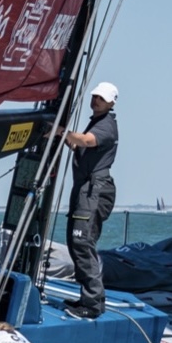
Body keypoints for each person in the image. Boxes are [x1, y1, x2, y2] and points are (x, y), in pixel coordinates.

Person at [62, 81, 119, 319]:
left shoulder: (106, 126)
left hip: (95, 191)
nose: (96, 100)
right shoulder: (95, 122)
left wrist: (63, 132)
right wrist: (62, 135)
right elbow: (80, 145)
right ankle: (91, 297)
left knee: (82, 242)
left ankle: (92, 304)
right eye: (95, 96)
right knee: (75, 241)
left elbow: (85, 141)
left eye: (101, 98)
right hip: (84, 190)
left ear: (112, 103)